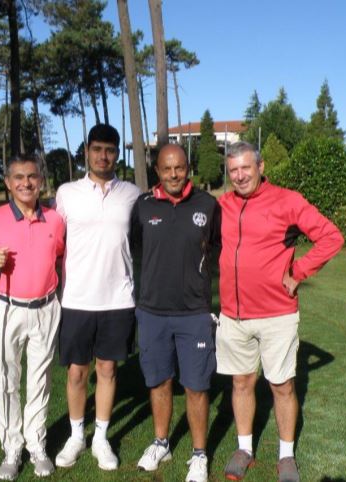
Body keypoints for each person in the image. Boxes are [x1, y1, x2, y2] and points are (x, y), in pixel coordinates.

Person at [216, 142, 344, 482]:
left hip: (276, 314)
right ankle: (245, 449)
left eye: (246, 168)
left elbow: (331, 237)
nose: (240, 176)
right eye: (233, 170)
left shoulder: (288, 200)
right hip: (233, 315)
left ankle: (286, 455)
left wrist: (299, 272)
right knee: (241, 382)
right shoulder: (224, 204)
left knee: (282, 386)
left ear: (260, 166)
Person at [0, 154, 65, 481]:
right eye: (19, 178)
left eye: (32, 177)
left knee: (40, 381)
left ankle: (36, 445)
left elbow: (61, 256)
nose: (26, 183)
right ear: (8, 183)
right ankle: (12, 448)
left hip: (47, 307)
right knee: (6, 381)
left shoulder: (54, 219)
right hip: (5, 307)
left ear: (40, 181)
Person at [54, 124, 141, 471]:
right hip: (76, 298)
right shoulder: (66, 193)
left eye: (110, 150)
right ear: (86, 151)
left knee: (107, 368)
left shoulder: (132, 194)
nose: (103, 156)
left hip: (118, 298)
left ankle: (101, 437)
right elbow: (51, 239)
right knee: (77, 372)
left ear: (117, 154)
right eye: (97, 149)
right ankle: (77, 435)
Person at [131, 144, 220, 482]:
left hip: (194, 313)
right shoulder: (143, 206)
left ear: (188, 169)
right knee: (159, 381)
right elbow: (132, 246)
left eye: (179, 168)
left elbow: (222, 249)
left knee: (196, 386)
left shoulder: (208, 205)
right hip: (152, 311)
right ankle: (161, 442)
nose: (173, 174)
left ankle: (199, 455)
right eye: (167, 169)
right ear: (157, 170)